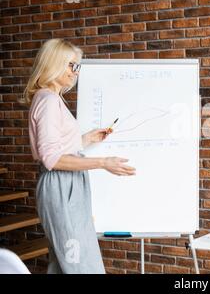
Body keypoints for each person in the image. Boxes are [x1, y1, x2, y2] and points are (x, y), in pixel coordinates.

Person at [23, 39, 136, 274]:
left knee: (64, 262)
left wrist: (86, 139)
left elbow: (57, 147)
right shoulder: (48, 100)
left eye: (78, 66)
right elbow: (52, 159)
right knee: (80, 264)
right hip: (61, 185)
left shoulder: (50, 98)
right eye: (71, 65)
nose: (75, 72)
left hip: (67, 184)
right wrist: (103, 162)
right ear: (54, 64)